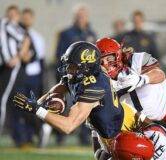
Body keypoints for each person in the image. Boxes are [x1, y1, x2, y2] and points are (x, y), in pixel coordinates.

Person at [13, 42, 149, 148]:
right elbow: (59, 88)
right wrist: (38, 103)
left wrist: (37, 110)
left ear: (86, 67)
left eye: (72, 67)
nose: (68, 70)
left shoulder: (94, 87)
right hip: (114, 120)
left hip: (122, 131)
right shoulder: (83, 74)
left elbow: (68, 126)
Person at [55, 3, 97, 145]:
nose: (82, 18)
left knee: (85, 105)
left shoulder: (91, 33)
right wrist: (64, 75)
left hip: (86, 77)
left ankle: (85, 136)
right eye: (79, 15)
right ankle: (60, 135)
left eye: (84, 15)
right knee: (62, 103)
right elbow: (60, 55)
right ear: (75, 17)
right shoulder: (66, 33)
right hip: (70, 75)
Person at [9, 8, 45, 147]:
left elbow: (40, 60)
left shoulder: (37, 37)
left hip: (34, 77)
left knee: (32, 107)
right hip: (20, 76)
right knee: (18, 105)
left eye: (29, 18)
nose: (26, 20)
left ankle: (30, 136)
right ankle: (19, 137)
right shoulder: (16, 35)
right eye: (24, 18)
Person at [0, 5, 31, 139]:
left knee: (4, 99)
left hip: (10, 68)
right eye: (10, 14)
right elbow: (25, 41)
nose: (12, 17)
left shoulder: (11, 27)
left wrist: (17, 57)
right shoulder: (6, 24)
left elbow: (26, 43)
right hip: (7, 66)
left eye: (14, 15)